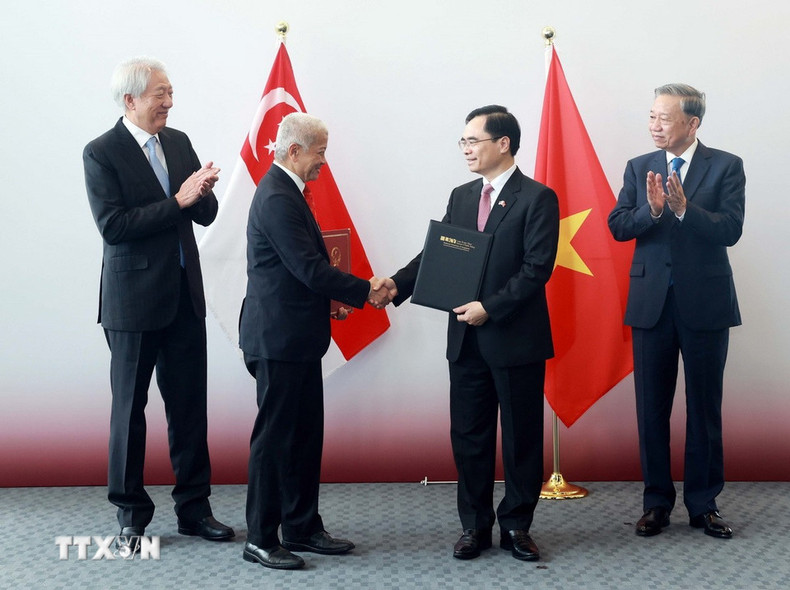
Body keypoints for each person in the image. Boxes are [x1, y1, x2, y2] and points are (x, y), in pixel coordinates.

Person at [384, 105, 559, 561]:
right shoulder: (462, 196)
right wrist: (396, 285)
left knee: (521, 439)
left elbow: (536, 269)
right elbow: (438, 254)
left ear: (503, 143)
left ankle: (517, 526)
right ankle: (474, 526)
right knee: (469, 437)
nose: (465, 149)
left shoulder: (537, 197)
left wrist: (490, 308)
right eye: (462, 141)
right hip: (465, 340)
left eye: (472, 141)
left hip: (514, 339)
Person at [83, 57, 234, 551]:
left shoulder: (179, 141)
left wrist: (204, 192)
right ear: (130, 100)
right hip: (132, 304)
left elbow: (205, 215)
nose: (169, 101)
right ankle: (131, 515)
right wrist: (178, 201)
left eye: (170, 92)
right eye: (159, 94)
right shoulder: (101, 152)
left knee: (190, 408)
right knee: (129, 412)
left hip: (184, 297)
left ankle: (195, 509)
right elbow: (114, 226)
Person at [239, 112, 391, 570]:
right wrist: (364, 290)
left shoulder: (288, 192)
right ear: (294, 151)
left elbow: (300, 270)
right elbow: (309, 268)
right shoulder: (276, 197)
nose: (324, 161)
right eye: (320, 152)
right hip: (277, 340)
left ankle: (301, 527)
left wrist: (341, 297)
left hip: (297, 338)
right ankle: (260, 538)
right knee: (274, 440)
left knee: (303, 437)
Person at [608, 84, 745, 539]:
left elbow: (731, 229)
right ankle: (656, 503)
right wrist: (651, 212)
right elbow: (617, 225)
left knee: (704, 408)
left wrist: (686, 211)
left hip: (705, 303)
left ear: (693, 122)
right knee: (651, 409)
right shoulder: (638, 166)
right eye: (651, 116)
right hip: (651, 305)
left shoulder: (726, 165)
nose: (654, 125)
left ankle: (704, 504)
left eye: (664, 118)